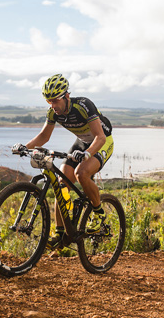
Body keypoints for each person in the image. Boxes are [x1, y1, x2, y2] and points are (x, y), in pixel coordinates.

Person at [12, 74, 114, 246]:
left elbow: (100, 137)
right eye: (49, 101)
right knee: (61, 184)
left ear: (66, 96)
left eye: (55, 101)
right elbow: (44, 136)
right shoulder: (53, 112)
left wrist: (87, 154)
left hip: (101, 142)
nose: (53, 105)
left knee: (81, 173)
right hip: (82, 142)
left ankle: (99, 216)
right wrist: (25, 147)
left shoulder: (83, 105)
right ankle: (60, 234)